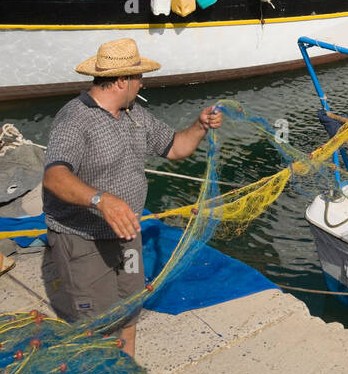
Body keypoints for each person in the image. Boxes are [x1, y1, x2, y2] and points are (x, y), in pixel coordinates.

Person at [41, 38, 222, 356]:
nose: (141, 84)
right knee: (98, 323)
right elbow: (54, 177)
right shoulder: (75, 120)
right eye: (139, 77)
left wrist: (199, 125)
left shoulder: (135, 114)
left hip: (126, 234)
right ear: (122, 80)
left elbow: (176, 147)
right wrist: (102, 200)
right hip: (83, 241)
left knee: (129, 310)